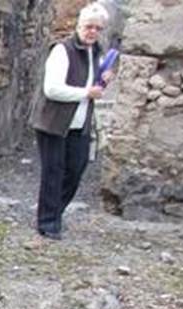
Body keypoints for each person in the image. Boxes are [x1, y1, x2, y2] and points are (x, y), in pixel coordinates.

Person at [30, 3, 114, 240]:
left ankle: (54, 212)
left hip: (80, 123)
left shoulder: (97, 51)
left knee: (76, 170)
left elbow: (93, 86)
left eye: (98, 28)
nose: (92, 32)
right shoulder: (62, 50)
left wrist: (103, 81)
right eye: (89, 26)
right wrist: (87, 92)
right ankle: (48, 223)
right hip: (53, 123)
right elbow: (52, 89)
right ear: (79, 25)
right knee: (53, 172)